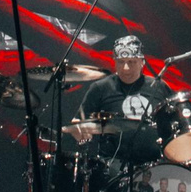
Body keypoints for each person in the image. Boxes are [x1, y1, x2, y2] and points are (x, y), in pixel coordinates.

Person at [72, 35, 175, 167]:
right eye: (121, 62)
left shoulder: (159, 87)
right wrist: (80, 131)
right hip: (112, 166)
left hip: (155, 165)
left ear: (142, 62)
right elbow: (78, 121)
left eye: (131, 62)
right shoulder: (100, 88)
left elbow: (175, 122)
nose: (126, 68)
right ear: (114, 61)